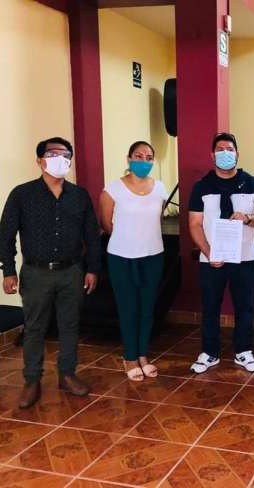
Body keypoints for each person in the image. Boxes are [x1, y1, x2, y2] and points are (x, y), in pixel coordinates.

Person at [0, 136, 101, 408]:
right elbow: (5, 236)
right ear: (40, 160)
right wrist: (9, 270)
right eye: (53, 154)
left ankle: (67, 374)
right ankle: (32, 380)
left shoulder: (79, 195)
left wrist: (92, 268)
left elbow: (92, 235)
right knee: (34, 328)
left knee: (69, 325)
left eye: (66, 155)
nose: (60, 159)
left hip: (71, 271)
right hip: (36, 273)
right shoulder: (22, 194)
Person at [188, 132, 254, 373]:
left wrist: (248, 218)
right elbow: (194, 223)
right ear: (212, 155)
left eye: (230, 149)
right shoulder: (201, 186)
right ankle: (209, 352)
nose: (226, 153)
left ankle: (243, 351)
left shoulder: (251, 182)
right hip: (211, 258)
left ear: (237, 154)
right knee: (210, 307)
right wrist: (209, 252)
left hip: (244, 258)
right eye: (220, 149)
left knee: (244, 307)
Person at [99, 141, 168, 381]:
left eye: (149, 157)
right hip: (122, 256)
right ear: (129, 159)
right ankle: (129, 356)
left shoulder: (160, 188)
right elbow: (106, 223)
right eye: (138, 156)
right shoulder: (112, 189)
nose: (143, 161)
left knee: (147, 308)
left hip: (153, 255)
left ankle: (142, 354)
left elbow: (157, 219)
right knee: (128, 308)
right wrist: (126, 239)